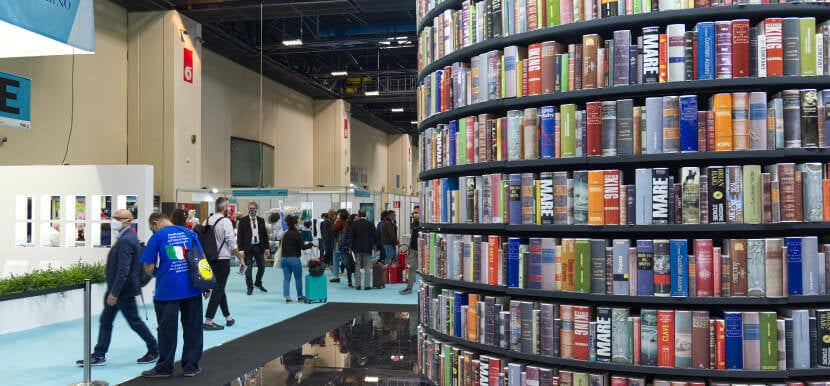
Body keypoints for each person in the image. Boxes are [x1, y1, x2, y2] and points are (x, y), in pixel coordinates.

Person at [75, 209, 158, 367]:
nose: (113, 221)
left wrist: (114, 292)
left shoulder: (127, 239)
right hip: (119, 289)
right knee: (106, 321)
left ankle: (154, 348)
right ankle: (99, 354)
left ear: (126, 221)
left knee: (134, 321)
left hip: (122, 291)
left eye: (117, 218)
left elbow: (123, 269)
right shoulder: (127, 237)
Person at [139, 212, 206, 378]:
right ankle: (191, 367)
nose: (152, 231)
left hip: (167, 291)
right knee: (193, 329)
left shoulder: (157, 237)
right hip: (192, 289)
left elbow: (148, 267)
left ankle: (164, 368)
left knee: (167, 331)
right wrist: (206, 284)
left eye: (151, 228)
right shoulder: (189, 233)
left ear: (155, 223)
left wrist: (161, 273)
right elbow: (201, 259)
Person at [204, 197, 245, 331]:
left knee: (219, 288)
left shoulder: (208, 220)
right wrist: (240, 258)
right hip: (222, 259)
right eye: (228, 206)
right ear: (225, 208)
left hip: (210, 258)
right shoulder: (225, 221)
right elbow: (231, 242)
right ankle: (208, 321)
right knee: (218, 288)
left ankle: (228, 317)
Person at [237, 201, 270, 295]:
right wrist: (241, 250)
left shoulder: (261, 220)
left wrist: (267, 248)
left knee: (262, 266)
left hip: (258, 247)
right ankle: (249, 287)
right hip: (247, 248)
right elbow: (240, 236)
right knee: (249, 268)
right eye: (250, 209)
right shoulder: (243, 221)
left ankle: (258, 283)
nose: (251, 210)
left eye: (253, 209)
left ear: (256, 209)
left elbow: (264, 235)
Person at [280, 215, 314, 302]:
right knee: (298, 278)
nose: (299, 223)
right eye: (298, 222)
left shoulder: (285, 234)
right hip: (294, 259)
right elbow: (303, 247)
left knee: (286, 279)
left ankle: (287, 296)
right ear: (295, 224)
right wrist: (312, 244)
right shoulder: (297, 234)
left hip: (284, 258)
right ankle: (300, 296)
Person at [350, 209, 377, 290]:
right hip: (367, 248)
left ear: (358, 215)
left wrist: (351, 247)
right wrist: (374, 244)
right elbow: (375, 236)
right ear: (366, 215)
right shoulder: (370, 224)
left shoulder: (354, 224)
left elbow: (351, 237)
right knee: (367, 267)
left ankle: (358, 285)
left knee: (357, 266)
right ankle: (367, 285)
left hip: (356, 248)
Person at [400, 206, 420, 295]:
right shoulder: (414, 223)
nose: (415, 215)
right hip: (413, 249)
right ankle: (409, 288)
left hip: (422, 250)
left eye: (417, 213)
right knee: (411, 268)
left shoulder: (424, 223)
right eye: (414, 213)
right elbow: (413, 236)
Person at [330, 210, 349, 284]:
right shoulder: (347, 223)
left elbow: (333, 229)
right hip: (345, 244)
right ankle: (349, 273)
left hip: (338, 244)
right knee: (345, 259)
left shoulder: (340, 222)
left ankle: (336, 277)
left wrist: (335, 222)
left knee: (336, 260)